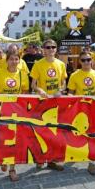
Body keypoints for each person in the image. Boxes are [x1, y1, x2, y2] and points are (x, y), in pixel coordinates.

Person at [0, 51, 29, 181]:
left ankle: (12, 169)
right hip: (1, 109)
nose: (14, 62)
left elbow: (25, 90)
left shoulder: (23, 74)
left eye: (17, 59)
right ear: (7, 60)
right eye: (11, 59)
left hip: (15, 110)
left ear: (19, 61)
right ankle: (2, 159)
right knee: (1, 138)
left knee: (14, 140)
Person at [30, 39, 67, 171]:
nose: (51, 49)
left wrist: (60, 90)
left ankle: (52, 160)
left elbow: (64, 84)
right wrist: (40, 90)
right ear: (43, 50)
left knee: (55, 132)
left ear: (56, 49)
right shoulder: (38, 64)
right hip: (43, 102)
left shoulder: (61, 64)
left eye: (53, 47)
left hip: (56, 102)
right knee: (41, 131)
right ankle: (40, 158)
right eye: (48, 47)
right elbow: (33, 85)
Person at [68, 51, 95, 175]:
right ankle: (77, 155)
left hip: (94, 110)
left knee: (93, 136)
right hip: (80, 112)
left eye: (88, 59)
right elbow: (71, 93)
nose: (86, 62)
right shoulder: (74, 75)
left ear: (92, 60)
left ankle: (92, 163)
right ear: (79, 61)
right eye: (83, 60)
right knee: (78, 135)